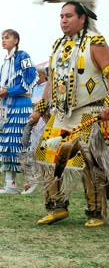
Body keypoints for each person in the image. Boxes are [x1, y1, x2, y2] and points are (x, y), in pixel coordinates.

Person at [30, 0, 109, 227]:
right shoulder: (58, 45)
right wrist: (41, 107)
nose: (63, 20)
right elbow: (51, 79)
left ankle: (95, 211)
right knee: (47, 158)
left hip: (90, 112)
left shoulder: (95, 41)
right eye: (61, 16)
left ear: (82, 18)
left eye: (69, 16)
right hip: (61, 114)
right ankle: (56, 207)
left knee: (89, 162)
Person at [0, 29, 38, 193]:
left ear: (16, 40)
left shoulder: (23, 56)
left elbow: (28, 82)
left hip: (21, 103)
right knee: (6, 142)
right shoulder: (5, 62)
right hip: (6, 105)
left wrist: (8, 90)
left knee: (21, 141)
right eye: (2, 37)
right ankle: (11, 184)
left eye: (7, 37)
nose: (3, 40)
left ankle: (31, 180)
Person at [21, 65, 48, 195]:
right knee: (32, 149)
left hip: (44, 121)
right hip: (33, 121)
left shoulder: (48, 87)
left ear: (42, 74)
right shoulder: (34, 88)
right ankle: (33, 179)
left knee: (42, 148)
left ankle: (43, 177)